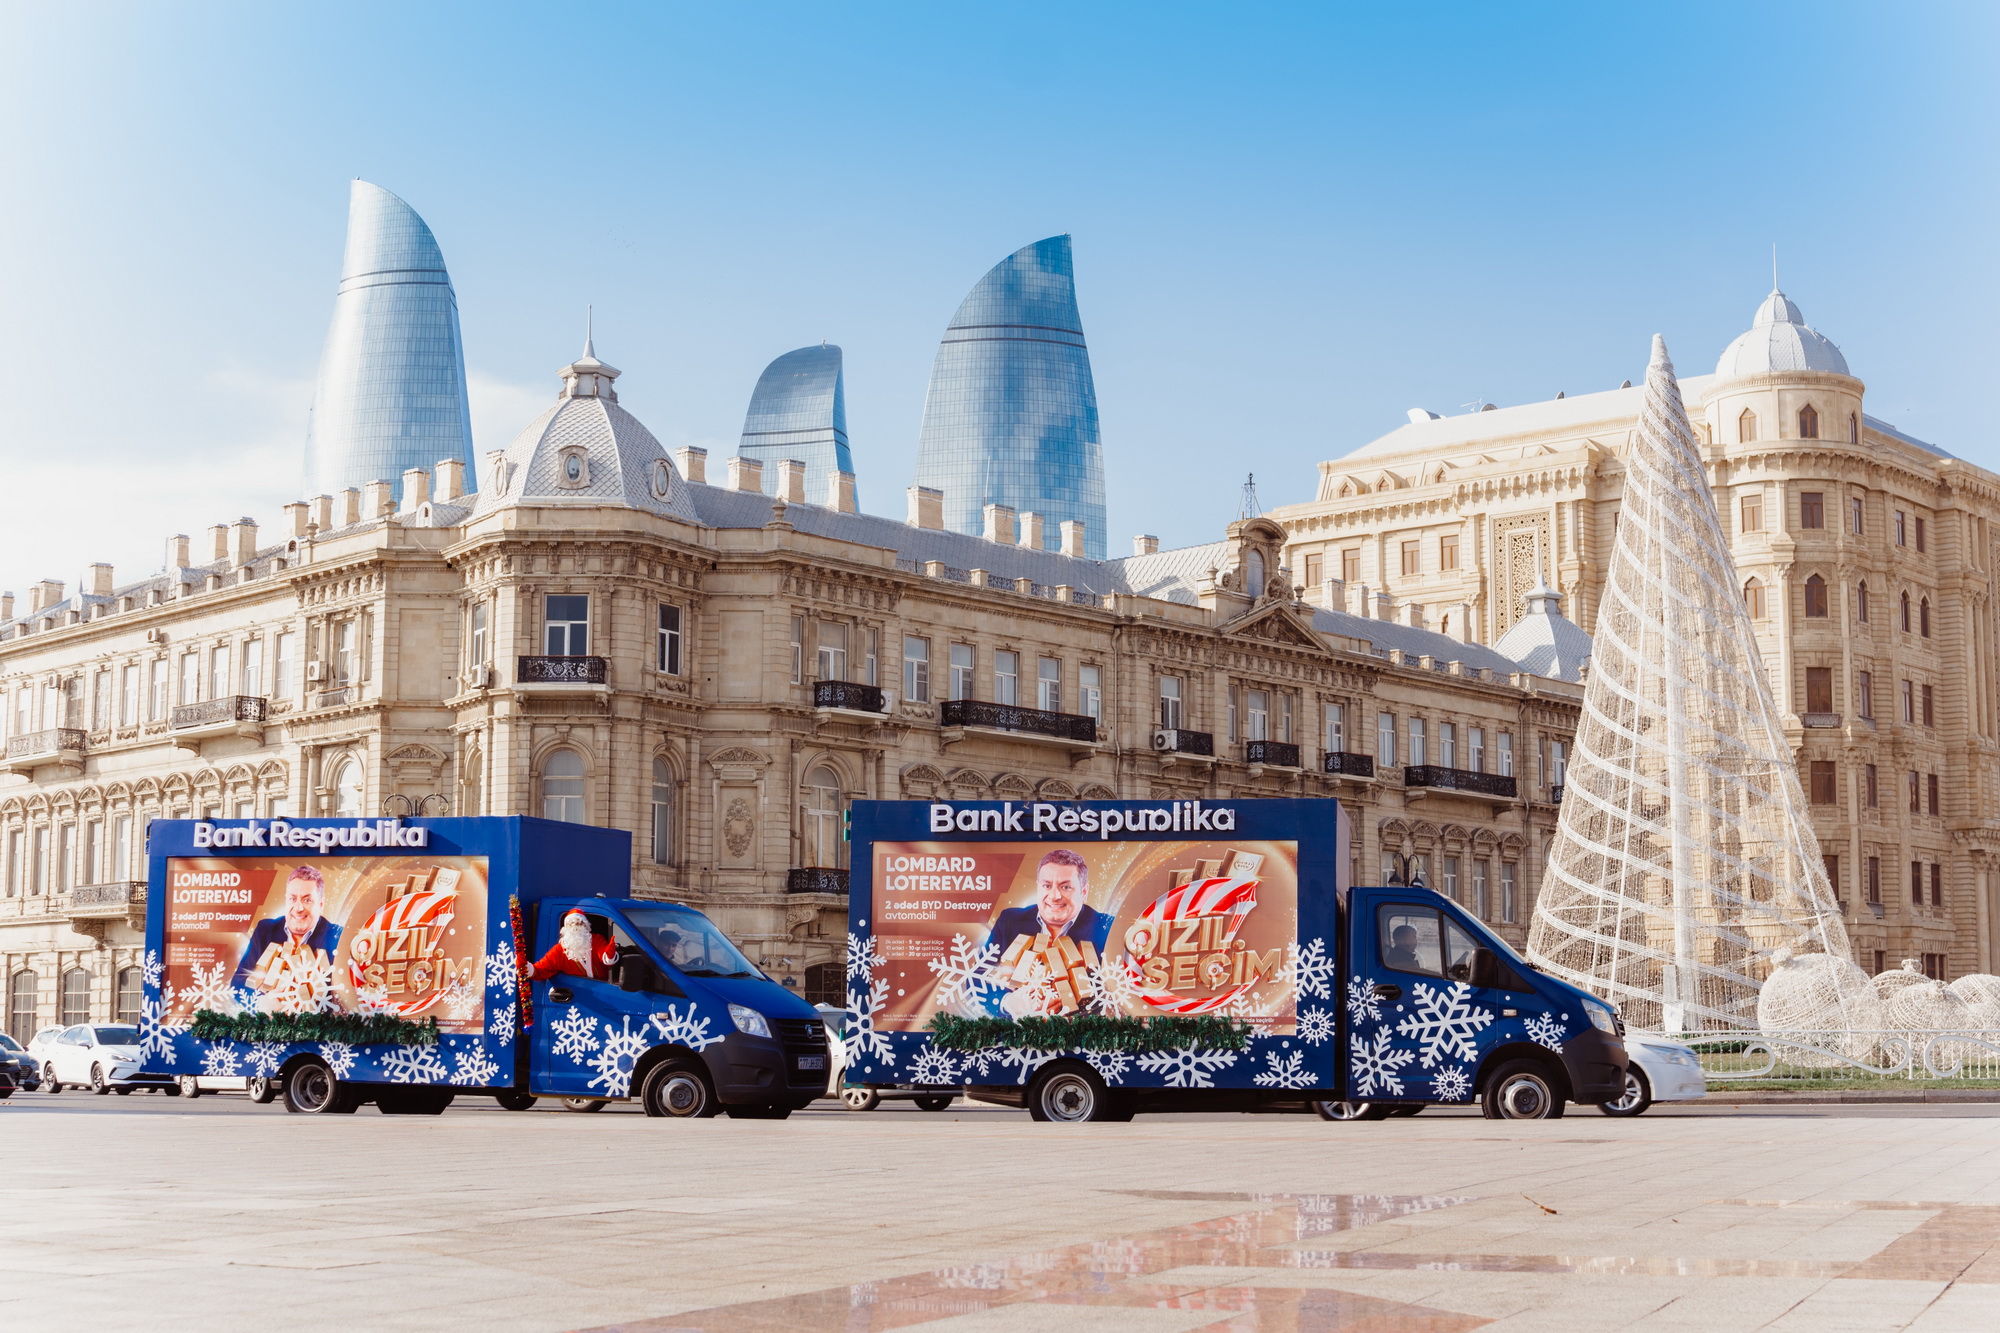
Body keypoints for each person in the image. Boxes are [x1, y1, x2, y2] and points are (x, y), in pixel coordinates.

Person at [985, 849, 1115, 1015]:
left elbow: (1120, 993)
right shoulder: (1009, 920)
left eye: (1066, 887)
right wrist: (1008, 1003)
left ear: (1084, 892)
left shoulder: (1108, 928)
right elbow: (977, 977)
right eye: (1047, 886)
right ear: (1038, 888)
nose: (1054, 896)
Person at [231, 865, 342, 992]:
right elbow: (238, 982)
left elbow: (341, 993)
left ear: (321, 904)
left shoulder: (337, 936)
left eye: (307, 900)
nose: (298, 908)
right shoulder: (265, 930)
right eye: (293, 899)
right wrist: (262, 1001)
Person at [530, 908, 618, 982]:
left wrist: (609, 954)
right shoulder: (559, 950)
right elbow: (541, 969)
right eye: (571, 924)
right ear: (566, 928)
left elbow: (604, 956)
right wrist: (527, 968)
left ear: (586, 926)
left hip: (604, 989)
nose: (576, 927)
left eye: (579, 923)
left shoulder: (596, 940)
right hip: (577, 992)